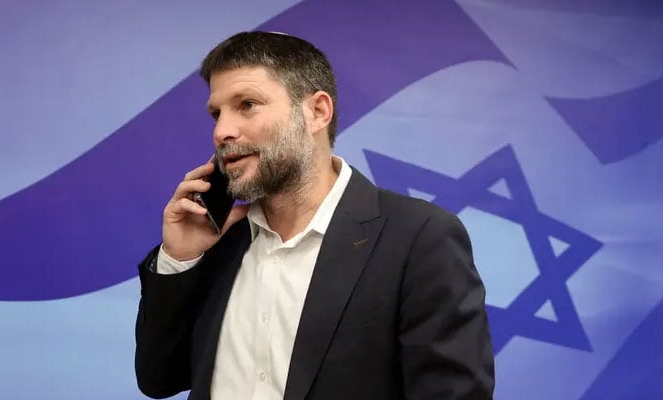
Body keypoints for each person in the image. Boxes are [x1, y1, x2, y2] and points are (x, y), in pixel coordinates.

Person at [135, 31, 494, 400]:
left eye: (247, 105)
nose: (222, 131)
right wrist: (179, 260)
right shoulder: (217, 239)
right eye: (216, 113)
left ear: (317, 111)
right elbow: (158, 378)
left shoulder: (419, 237)